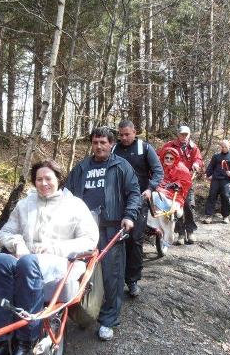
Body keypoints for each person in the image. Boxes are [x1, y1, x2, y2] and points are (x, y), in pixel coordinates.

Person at [0, 160, 99, 355]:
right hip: (26, 259)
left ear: (58, 179)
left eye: (48, 178)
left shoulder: (74, 205)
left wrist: (55, 247)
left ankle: (25, 344)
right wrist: (17, 243)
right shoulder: (25, 204)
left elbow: (90, 240)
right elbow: (4, 232)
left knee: (27, 263)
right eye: (39, 179)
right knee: (2, 261)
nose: (43, 183)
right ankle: (2, 344)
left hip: (60, 261)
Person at [65, 127, 140, 341]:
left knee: (111, 276)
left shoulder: (121, 166)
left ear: (111, 144)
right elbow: (66, 195)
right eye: (95, 142)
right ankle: (84, 313)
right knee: (80, 273)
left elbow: (134, 193)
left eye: (103, 143)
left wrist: (129, 216)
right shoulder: (81, 168)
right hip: (83, 230)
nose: (99, 146)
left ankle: (108, 320)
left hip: (112, 228)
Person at [113, 120, 163, 298]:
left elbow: (158, 171)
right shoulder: (113, 149)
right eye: (121, 134)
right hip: (117, 201)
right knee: (115, 240)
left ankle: (132, 280)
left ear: (135, 132)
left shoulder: (145, 148)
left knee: (134, 239)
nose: (124, 138)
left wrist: (150, 189)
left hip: (140, 200)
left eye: (127, 134)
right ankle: (115, 278)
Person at [161, 125, 203, 245]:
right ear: (178, 135)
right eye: (181, 134)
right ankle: (179, 232)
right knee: (175, 206)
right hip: (172, 180)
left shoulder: (193, 147)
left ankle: (190, 231)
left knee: (188, 205)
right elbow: (160, 156)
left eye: (186, 134)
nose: (183, 137)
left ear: (189, 135)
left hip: (186, 180)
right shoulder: (169, 145)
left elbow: (199, 159)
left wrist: (196, 163)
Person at [147, 148, 193, 246]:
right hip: (159, 191)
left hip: (175, 195)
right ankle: (153, 226)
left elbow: (186, 183)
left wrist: (177, 184)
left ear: (175, 159)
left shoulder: (181, 169)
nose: (168, 160)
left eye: (171, 158)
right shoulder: (159, 167)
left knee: (186, 208)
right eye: (166, 158)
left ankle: (184, 233)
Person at [203, 140, 230, 224]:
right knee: (212, 196)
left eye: (225, 147)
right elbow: (211, 166)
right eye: (222, 147)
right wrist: (208, 175)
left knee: (226, 197)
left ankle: (225, 216)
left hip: (225, 180)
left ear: (229, 147)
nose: (223, 148)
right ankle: (209, 216)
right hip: (215, 179)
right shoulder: (216, 156)